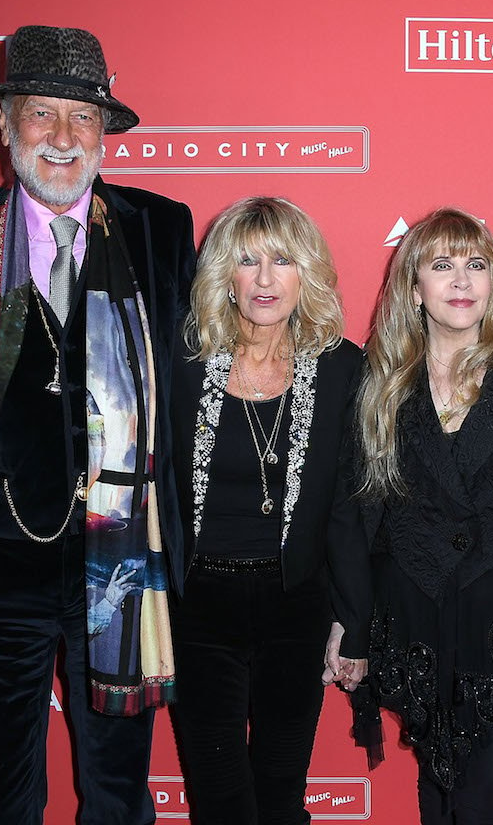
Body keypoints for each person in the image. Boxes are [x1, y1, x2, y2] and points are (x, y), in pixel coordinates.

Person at [0, 25, 196, 823]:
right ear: (4, 123)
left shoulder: (161, 229)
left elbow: (198, 387)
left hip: (119, 566)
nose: (62, 138)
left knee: (120, 800)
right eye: (42, 114)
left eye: (82, 118)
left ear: (105, 133)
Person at [345, 208, 493, 824]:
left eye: (476, 265)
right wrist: (348, 622)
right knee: (440, 790)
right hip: (417, 611)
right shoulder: (380, 377)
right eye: (443, 265)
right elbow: (365, 511)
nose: (461, 281)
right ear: (414, 283)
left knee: (486, 797)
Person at [168, 197, 367, 824]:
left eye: (281, 260)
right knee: (220, 797)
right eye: (247, 260)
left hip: (295, 604)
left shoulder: (341, 368)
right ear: (223, 272)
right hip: (197, 605)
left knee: (282, 792)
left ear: (305, 272)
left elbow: (347, 509)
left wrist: (353, 622)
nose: (263, 279)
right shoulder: (180, 361)